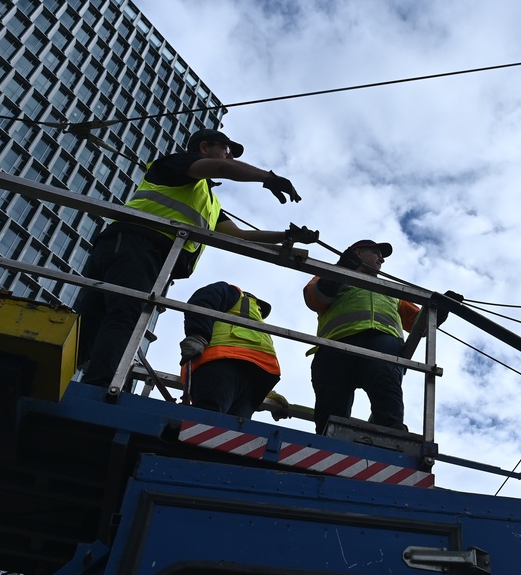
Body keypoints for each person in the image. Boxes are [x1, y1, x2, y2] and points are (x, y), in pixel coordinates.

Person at [75, 128, 314, 388]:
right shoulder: (176, 165)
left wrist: (286, 236)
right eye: (225, 149)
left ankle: (71, 372)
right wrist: (268, 178)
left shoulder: (209, 201)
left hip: (145, 255)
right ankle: (98, 386)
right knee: (124, 314)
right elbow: (223, 168)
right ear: (203, 148)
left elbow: (239, 235)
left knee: (91, 321)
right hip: (135, 243)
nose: (229, 156)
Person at [303, 239, 420, 434]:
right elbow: (315, 299)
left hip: (382, 341)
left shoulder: (392, 290)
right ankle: (328, 436)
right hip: (337, 342)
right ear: (358, 253)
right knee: (332, 399)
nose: (381, 259)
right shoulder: (330, 276)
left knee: (384, 381)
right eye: (376, 253)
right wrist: (338, 272)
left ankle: (391, 430)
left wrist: (438, 310)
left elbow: (419, 324)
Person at [179, 281, 290, 420]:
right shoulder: (234, 293)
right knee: (207, 420)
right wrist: (198, 335)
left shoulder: (259, 323)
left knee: (235, 430)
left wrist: (267, 396)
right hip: (221, 361)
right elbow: (204, 300)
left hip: (254, 376)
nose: (260, 311)